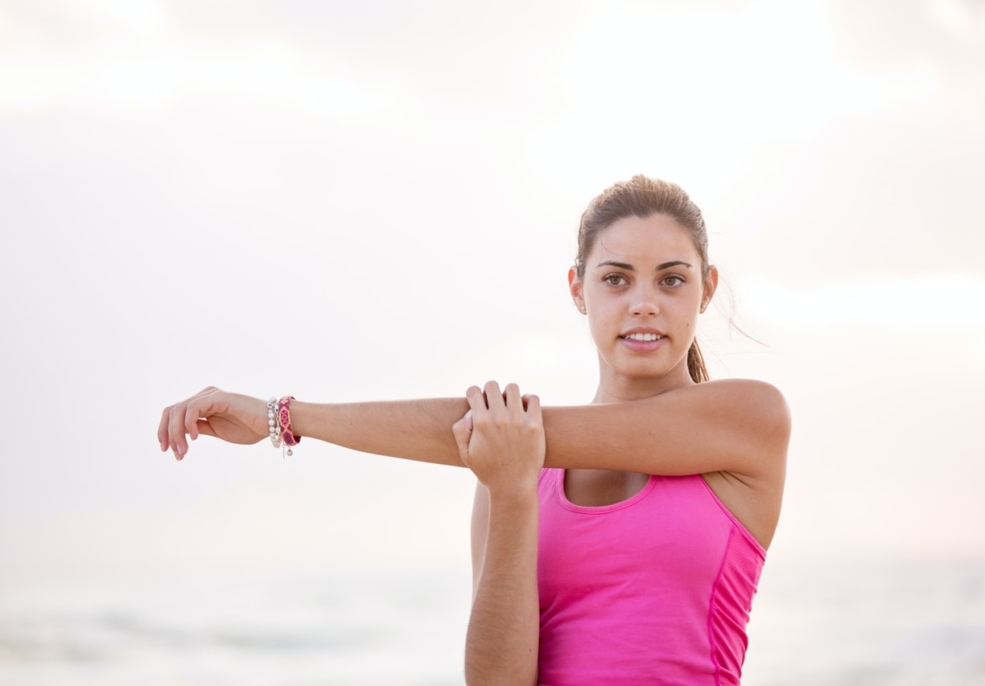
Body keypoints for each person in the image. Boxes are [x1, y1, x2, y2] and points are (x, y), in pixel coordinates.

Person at [157, 175, 790, 685]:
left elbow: (478, 430)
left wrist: (282, 417)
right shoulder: (510, 462)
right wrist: (512, 491)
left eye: (671, 280)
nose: (643, 303)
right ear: (578, 289)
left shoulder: (747, 421)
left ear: (706, 289)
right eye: (616, 278)